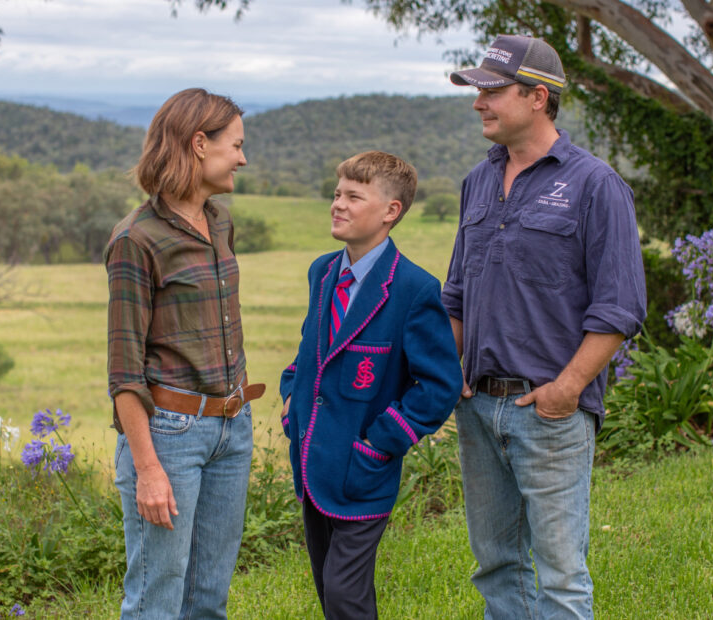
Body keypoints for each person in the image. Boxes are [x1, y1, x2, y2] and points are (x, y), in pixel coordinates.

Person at [444, 35, 647, 619]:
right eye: (477, 90)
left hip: (549, 411)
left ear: (538, 96)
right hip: (478, 407)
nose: (478, 102)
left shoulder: (595, 185)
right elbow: (457, 293)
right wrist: (444, 374)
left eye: (491, 90)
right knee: (496, 566)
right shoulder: (477, 182)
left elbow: (620, 306)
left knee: (560, 576)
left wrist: (567, 389)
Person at [278, 151, 462, 619]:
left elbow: (439, 386)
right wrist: (290, 399)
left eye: (353, 196)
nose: (337, 204)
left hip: (364, 470)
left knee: (345, 593)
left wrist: (380, 444)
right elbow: (309, 350)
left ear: (390, 212)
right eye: (337, 194)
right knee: (329, 588)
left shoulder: (413, 289)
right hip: (312, 458)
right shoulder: (323, 272)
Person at [105, 87, 265, 619]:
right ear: (200, 143)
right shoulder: (136, 239)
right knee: (156, 598)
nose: (243, 157)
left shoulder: (219, 222)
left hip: (232, 426)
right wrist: (147, 468)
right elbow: (124, 373)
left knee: (208, 600)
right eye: (235, 145)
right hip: (169, 435)